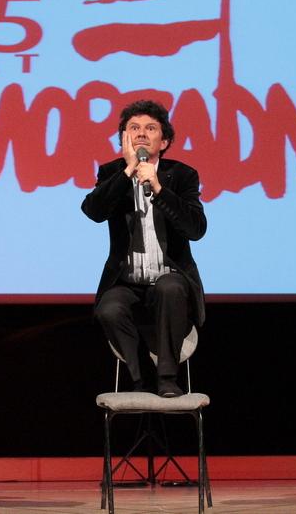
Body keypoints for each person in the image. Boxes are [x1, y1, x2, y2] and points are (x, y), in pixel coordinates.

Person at [81, 100, 206, 398]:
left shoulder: (182, 175)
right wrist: (128, 171)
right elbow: (94, 211)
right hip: (127, 283)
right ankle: (142, 379)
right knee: (109, 309)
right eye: (133, 128)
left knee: (169, 287)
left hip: (171, 279)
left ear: (164, 142)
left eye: (150, 128)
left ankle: (167, 378)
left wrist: (159, 188)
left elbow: (196, 229)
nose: (141, 133)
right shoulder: (112, 173)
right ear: (124, 138)